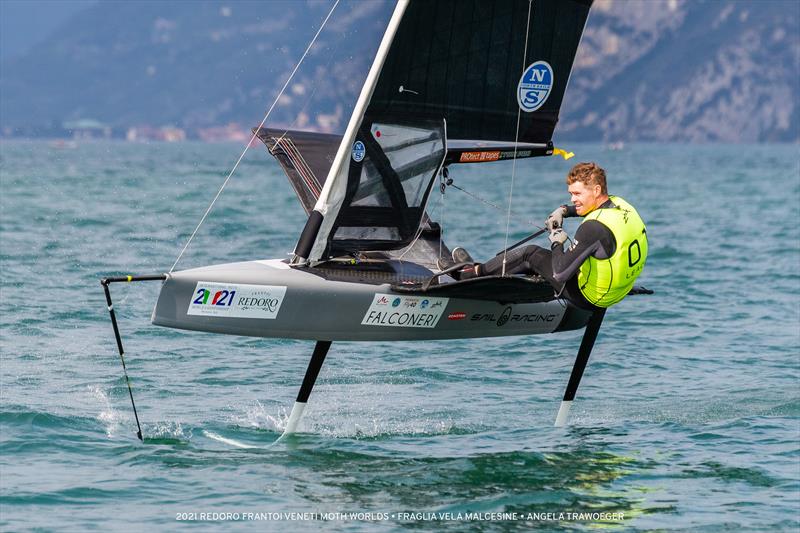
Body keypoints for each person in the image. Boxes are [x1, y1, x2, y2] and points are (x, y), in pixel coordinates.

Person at [453, 162, 648, 310]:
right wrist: (564, 211)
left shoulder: (592, 228)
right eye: (571, 194)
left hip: (590, 297)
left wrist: (557, 241)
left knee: (531, 254)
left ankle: (470, 273)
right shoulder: (622, 205)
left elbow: (561, 273)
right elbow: (592, 210)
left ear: (596, 190)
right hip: (618, 291)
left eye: (577, 194)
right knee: (571, 256)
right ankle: (502, 272)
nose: (573, 199)